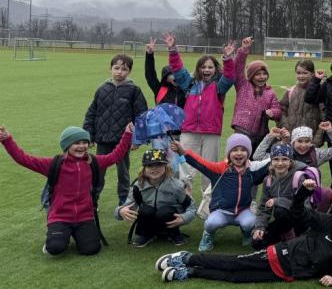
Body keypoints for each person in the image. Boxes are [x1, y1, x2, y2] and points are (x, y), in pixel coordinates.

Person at [157, 189, 332, 284]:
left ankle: (191, 272)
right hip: (281, 255)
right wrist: (302, 193)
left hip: (292, 273)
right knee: (234, 264)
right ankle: (187, 258)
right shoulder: (326, 223)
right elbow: (297, 213)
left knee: (236, 278)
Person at [0, 123, 132, 256]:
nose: (81, 146)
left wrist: (127, 134)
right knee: (55, 248)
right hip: (60, 216)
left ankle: (75, 234)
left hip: (85, 215)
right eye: (76, 143)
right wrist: (7, 140)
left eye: (84, 142)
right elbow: (23, 159)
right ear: (67, 146)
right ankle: (58, 238)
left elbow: (116, 155)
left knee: (91, 249)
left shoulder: (94, 161)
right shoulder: (54, 163)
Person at [163, 32, 237, 193]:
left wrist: (228, 58)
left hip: (211, 133)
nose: (206, 69)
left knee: (209, 170)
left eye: (210, 67)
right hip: (189, 132)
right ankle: (184, 200)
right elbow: (178, 69)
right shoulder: (189, 84)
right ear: (198, 69)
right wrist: (173, 49)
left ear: (215, 69)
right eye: (203, 67)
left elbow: (230, 77)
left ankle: (209, 202)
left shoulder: (219, 86)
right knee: (185, 169)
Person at [171, 134, 270, 252]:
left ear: (248, 153)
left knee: (251, 222)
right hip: (221, 211)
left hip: (243, 211)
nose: (239, 153)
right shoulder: (219, 169)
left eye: (243, 150)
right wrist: (182, 151)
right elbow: (199, 162)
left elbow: (271, 162)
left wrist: (281, 142)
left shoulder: (252, 170)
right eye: (235, 150)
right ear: (228, 153)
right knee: (211, 223)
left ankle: (247, 233)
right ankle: (208, 236)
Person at [83, 53, 148, 204]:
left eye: (124, 69)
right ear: (110, 69)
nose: (119, 71)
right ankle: (93, 201)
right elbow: (91, 113)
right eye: (116, 68)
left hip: (122, 140)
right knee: (98, 171)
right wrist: (89, 136)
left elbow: (142, 117)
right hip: (103, 139)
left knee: (123, 173)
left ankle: (123, 201)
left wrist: (137, 139)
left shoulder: (134, 91)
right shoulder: (102, 89)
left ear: (129, 71)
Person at [116, 148, 196, 247]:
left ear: (166, 166)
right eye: (150, 165)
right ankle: (147, 234)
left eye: (159, 165)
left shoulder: (177, 186)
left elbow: (192, 207)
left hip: (168, 218)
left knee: (165, 211)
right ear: (144, 168)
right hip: (148, 220)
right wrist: (121, 211)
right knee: (145, 210)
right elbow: (123, 207)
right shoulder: (138, 186)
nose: (154, 169)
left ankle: (173, 234)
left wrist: (184, 218)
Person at [231, 36, 281, 156]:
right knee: (240, 159)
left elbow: (278, 110)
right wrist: (244, 50)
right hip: (242, 130)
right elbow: (238, 68)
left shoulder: (270, 92)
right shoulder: (243, 86)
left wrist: (272, 112)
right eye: (257, 74)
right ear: (251, 75)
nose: (262, 77)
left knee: (257, 162)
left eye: (264, 74)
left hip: (261, 134)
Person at [277, 59, 324, 138]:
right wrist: (286, 126)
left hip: (310, 141)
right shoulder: (291, 91)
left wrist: (316, 141)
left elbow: (324, 118)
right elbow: (281, 110)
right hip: (291, 138)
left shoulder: (319, 91)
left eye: (305, 73)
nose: (301, 76)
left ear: (312, 74)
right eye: (298, 73)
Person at [144, 37, 187, 107]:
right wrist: (149, 55)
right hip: (161, 118)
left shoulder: (184, 89)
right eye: (171, 74)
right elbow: (150, 75)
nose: (174, 76)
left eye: (176, 73)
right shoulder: (159, 89)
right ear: (166, 78)